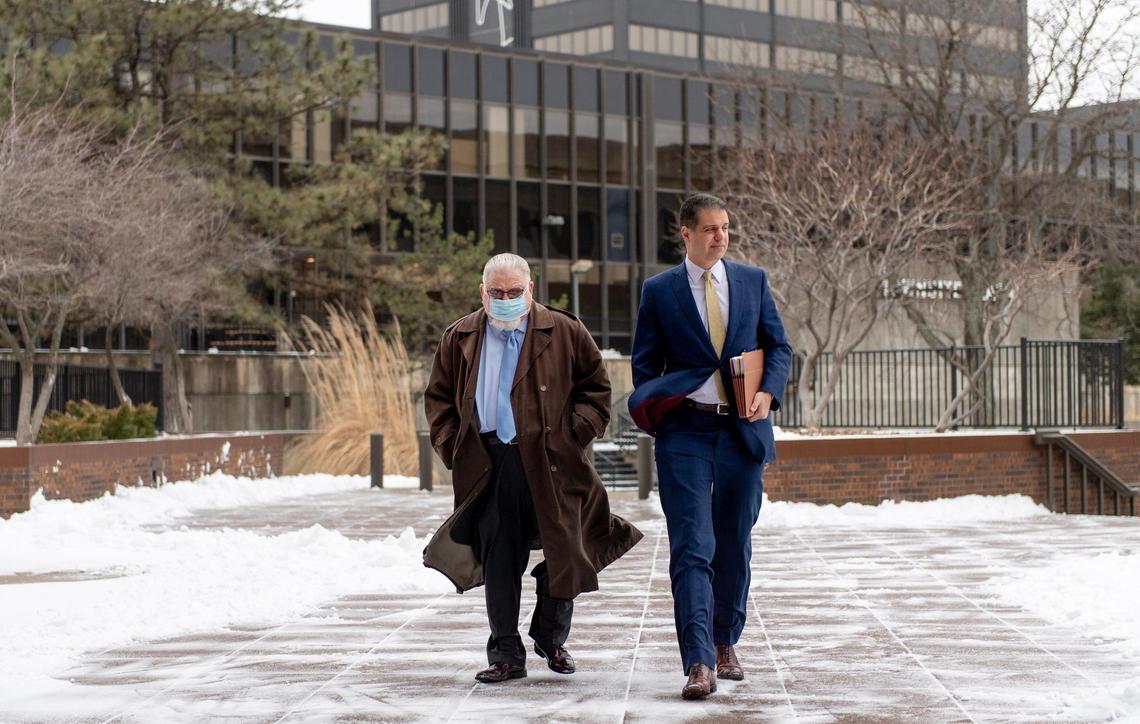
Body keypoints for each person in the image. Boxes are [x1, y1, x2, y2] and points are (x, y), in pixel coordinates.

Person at [423, 252, 643, 684]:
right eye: (497, 293)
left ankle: (551, 637)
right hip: (490, 462)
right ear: (482, 293)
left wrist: (570, 437)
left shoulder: (564, 329)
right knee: (500, 560)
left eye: (514, 292)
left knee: (566, 550)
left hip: (552, 460)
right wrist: (454, 448)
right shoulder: (461, 335)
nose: (505, 300)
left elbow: (597, 391)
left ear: (531, 290)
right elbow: (439, 399)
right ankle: (506, 654)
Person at [628, 193, 793, 700]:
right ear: (687, 233)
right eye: (710, 229)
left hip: (742, 431)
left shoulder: (752, 281)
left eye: (725, 228)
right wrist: (667, 413)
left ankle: (726, 643)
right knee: (692, 547)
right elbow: (644, 366)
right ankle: (698, 660)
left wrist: (769, 393)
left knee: (734, 544)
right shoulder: (660, 291)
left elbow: (780, 346)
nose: (720, 236)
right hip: (686, 435)